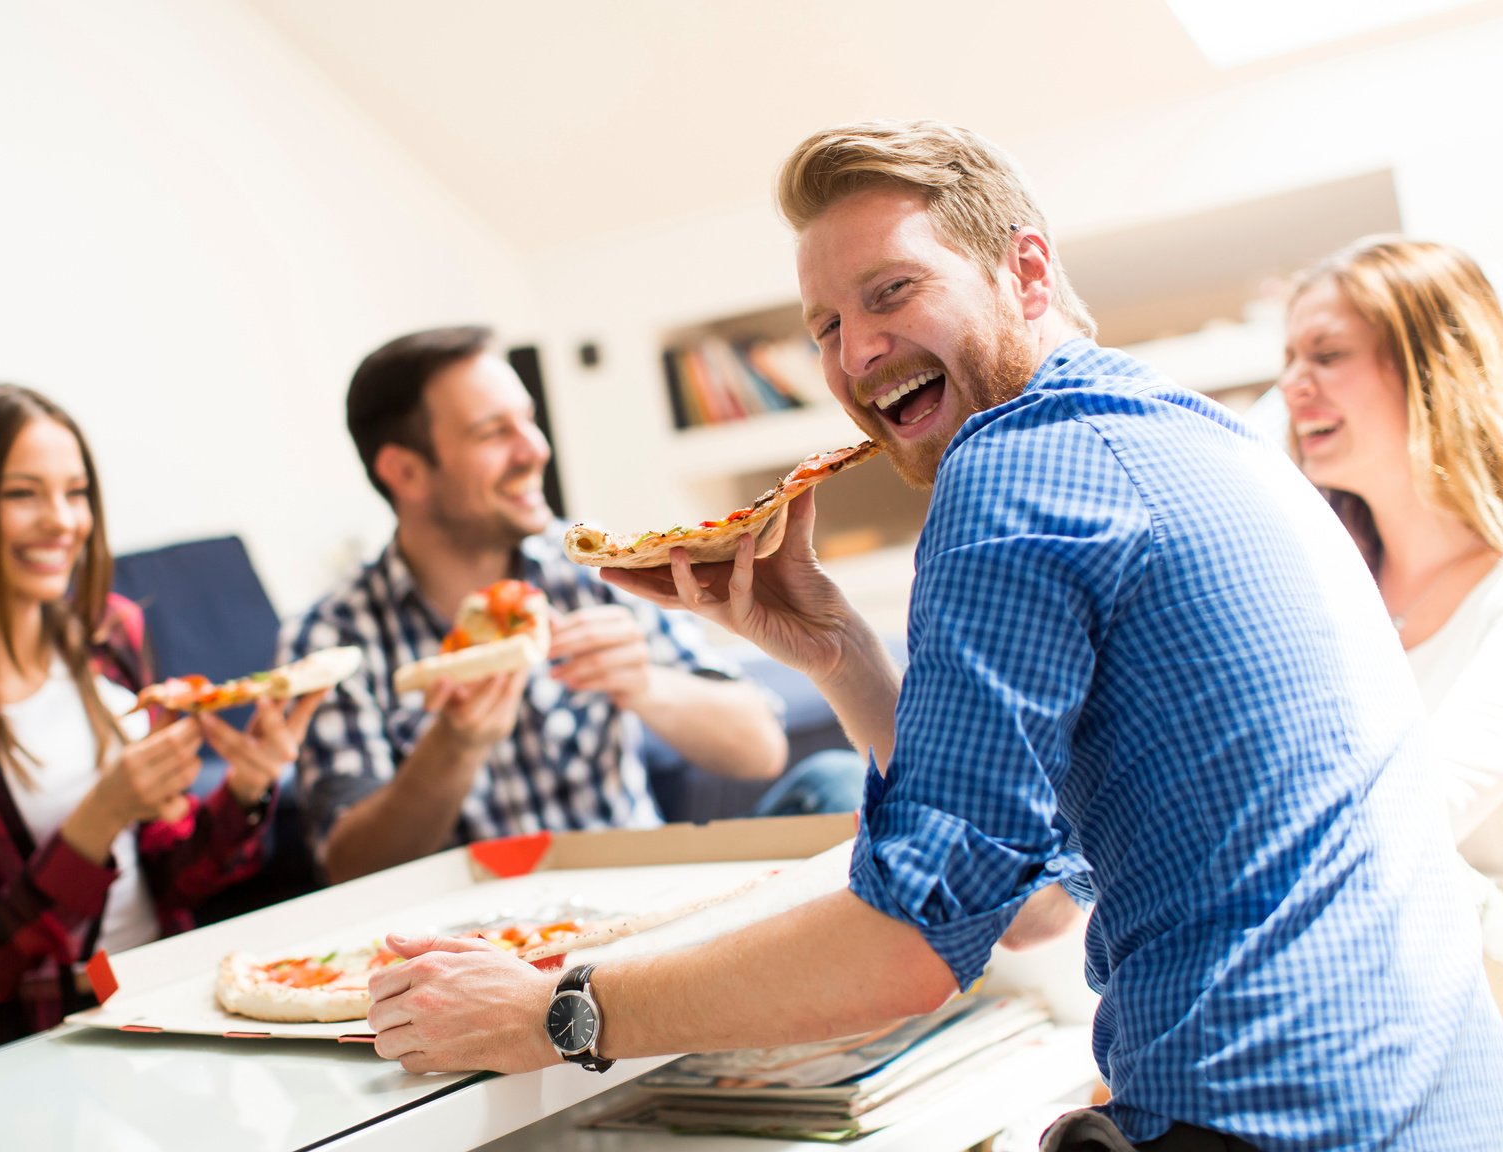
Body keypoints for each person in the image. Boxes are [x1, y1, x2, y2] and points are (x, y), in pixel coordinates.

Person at [364, 122, 1503, 1150]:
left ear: (1026, 271)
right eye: (825, 324)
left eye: (892, 291)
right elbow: (1035, 902)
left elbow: (904, 949)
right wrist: (838, 654)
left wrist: (559, 1011)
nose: (857, 353)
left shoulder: (1010, 473)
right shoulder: (1200, 434)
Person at [0, 382, 323, 1069]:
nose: (63, 520)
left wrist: (247, 790)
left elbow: (176, 875)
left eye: (76, 491)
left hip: (166, 1009)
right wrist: (99, 817)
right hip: (23, 1054)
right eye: (22, 493)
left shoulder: (112, 632)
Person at [280, 326, 860, 884]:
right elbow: (349, 866)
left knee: (839, 780)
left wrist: (645, 684)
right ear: (405, 471)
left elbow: (760, 748)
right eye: (492, 432)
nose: (536, 449)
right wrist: (452, 746)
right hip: (482, 947)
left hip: (647, 892)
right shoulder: (331, 638)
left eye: (527, 421)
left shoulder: (588, 565)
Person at [1279, 236, 1503, 996]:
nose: (1293, 385)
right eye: (1290, 359)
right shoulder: (1326, 596)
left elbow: (1415, 816)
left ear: (1429, 365)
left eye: (1327, 354)